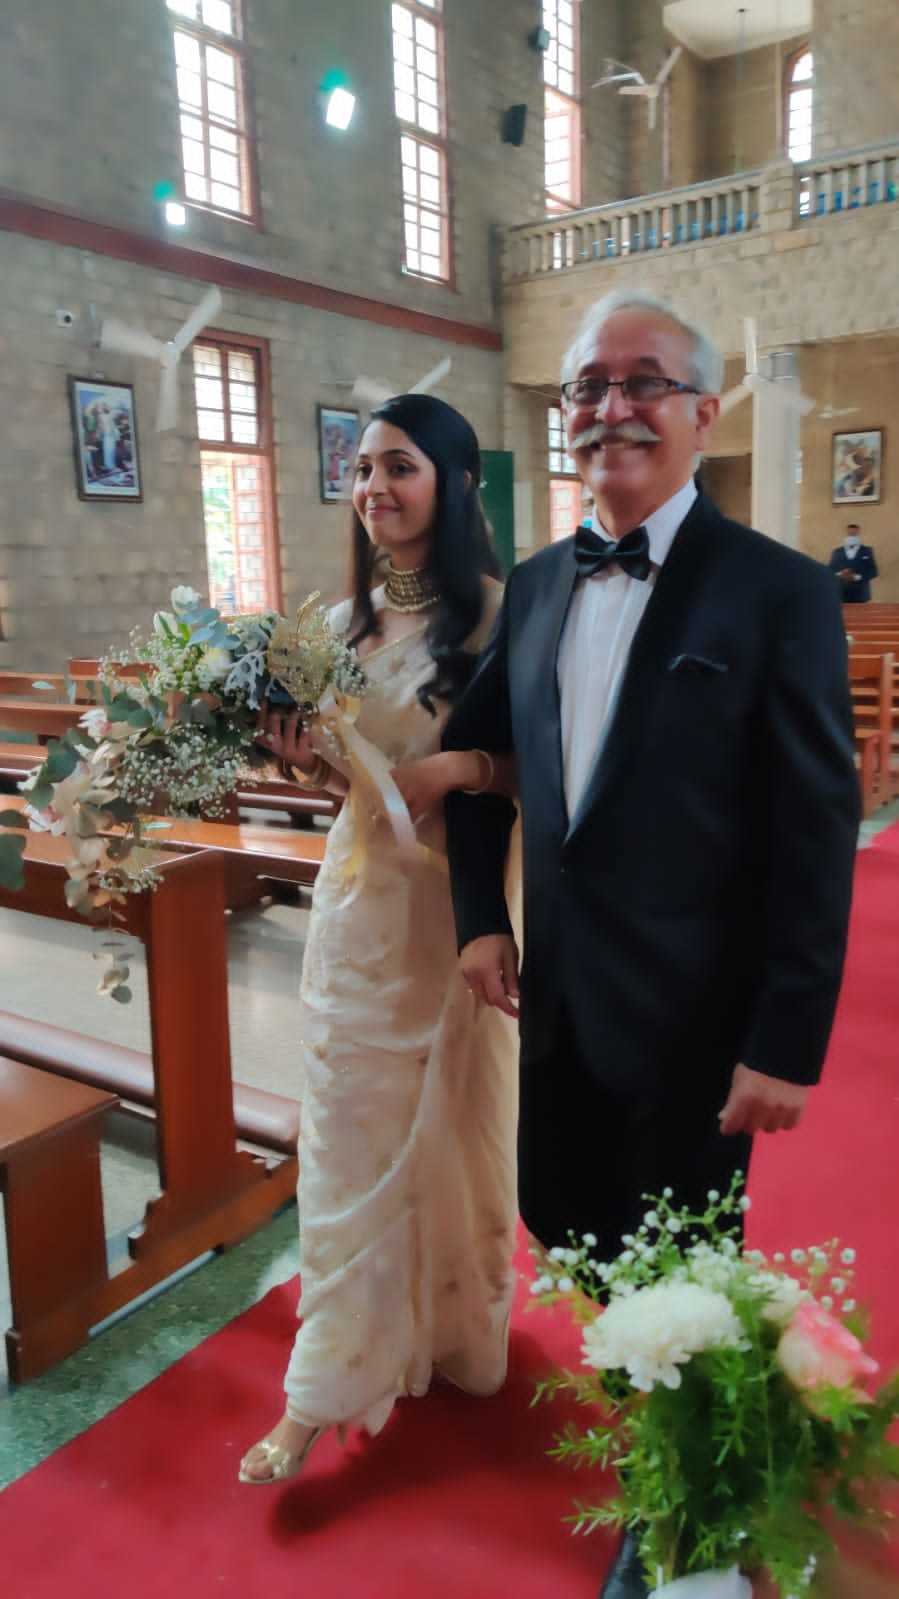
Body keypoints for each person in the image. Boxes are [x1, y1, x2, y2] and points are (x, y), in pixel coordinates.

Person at [442, 291, 860, 1599]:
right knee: (569, 1228)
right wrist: (478, 915)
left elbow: (813, 826)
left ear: (701, 412)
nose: (608, 407)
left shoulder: (776, 590)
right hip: (559, 1000)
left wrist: (784, 1038)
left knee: (685, 1272)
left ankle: (686, 1520)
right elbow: (475, 765)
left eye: (642, 382)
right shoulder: (537, 583)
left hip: (696, 1016)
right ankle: (647, 1430)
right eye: (586, 385)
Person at [239, 394, 520, 1485]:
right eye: (361, 470)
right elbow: (349, 788)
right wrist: (303, 760)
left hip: (455, 914)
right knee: (347, 1136)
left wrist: (458, 767)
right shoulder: (340, 625)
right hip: (356, 910)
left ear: (454, 480)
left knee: (450, 1122)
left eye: (398, 466)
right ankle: (321, 1387)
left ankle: (448, 1328)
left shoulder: (497, 617)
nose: (373, 489)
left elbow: (545, 769)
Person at [828, 523, 878, 603]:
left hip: (861, 594)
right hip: (841, 593)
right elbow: (830, 571)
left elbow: (874, 571)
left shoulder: (867, 550)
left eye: (854, 534)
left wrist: (857, 577)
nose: (852, 536)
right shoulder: (837, 551)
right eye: (850, 533)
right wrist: (841, 574)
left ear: (858, 533)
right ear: (846, 533)